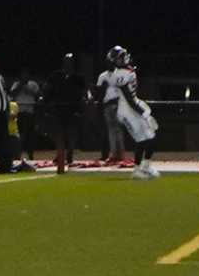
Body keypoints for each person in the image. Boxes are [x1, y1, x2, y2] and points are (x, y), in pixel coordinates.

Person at [97, 46, 159, 179]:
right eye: (121, 56)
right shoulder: (120, 74)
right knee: (147, 139)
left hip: (132, 106)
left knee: (146, 139)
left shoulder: (126, 71)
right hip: (128, 110)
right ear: (116, 61)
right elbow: (129, 99)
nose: (125, 57)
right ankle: (141, 168)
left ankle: (142, 167)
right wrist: (144, 114)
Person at [43, 53, 87, 173]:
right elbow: (48, 90)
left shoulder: (78, 78)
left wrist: (82, 105)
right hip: (58, 108)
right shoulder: (56, 76)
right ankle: (60, 153)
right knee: (58, 133)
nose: (68, 64)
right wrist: (46, 101)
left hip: (73, 108)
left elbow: (84, 92)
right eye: (66, 61)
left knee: (72, 132)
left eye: (70, 62)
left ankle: (70, 153)